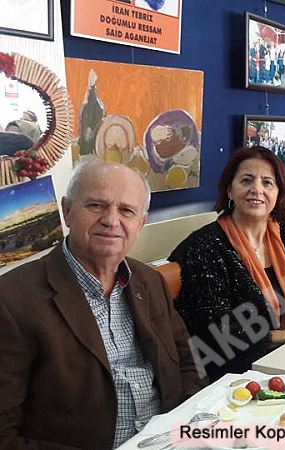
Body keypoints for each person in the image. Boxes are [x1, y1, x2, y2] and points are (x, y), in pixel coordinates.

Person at [0, 161, 206, 448]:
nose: (111, 220)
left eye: (127, 211)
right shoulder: (12, 299)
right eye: (96, 205)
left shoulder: (150, 281)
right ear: (67, 211)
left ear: (140, 224)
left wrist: (190, 426)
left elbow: (187, 361)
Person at [169, 146, 285, 381]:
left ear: (278, 193)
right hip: (237, 374)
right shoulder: (206, 247)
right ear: (230, 189)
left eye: (267, 183)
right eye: (246, 180)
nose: (257, 189)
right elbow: (216, 334)